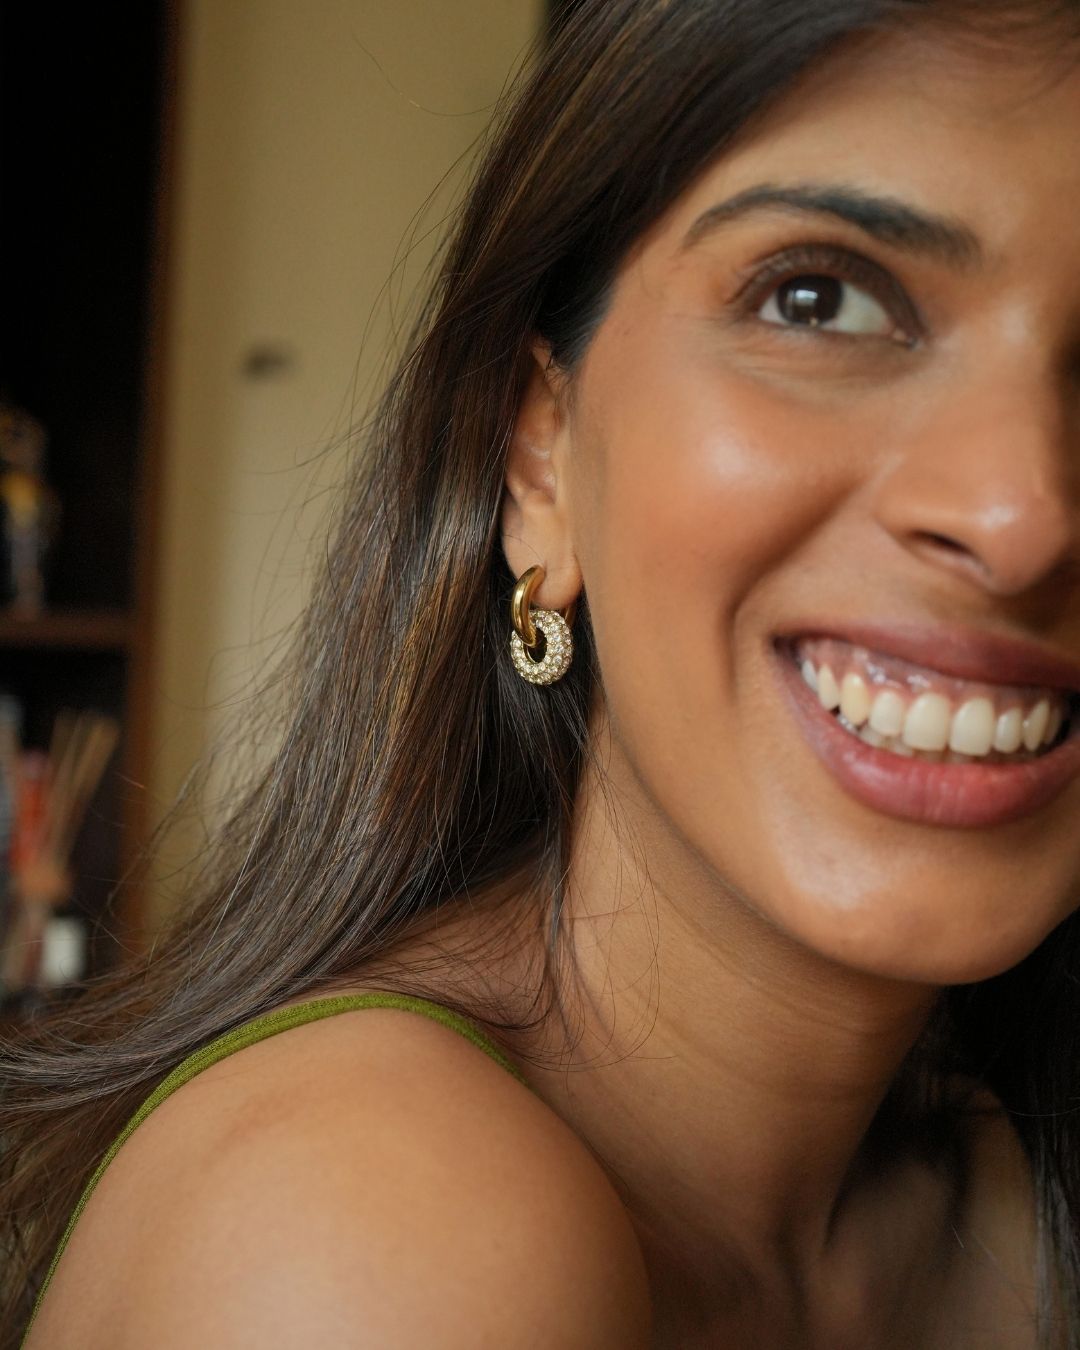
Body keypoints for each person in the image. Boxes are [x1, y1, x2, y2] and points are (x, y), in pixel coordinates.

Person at [5, 1, 1080, 1345]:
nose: (1023, 511)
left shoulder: (992, 1184)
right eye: (821, 300)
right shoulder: (376, 1230)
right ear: (539, 458)